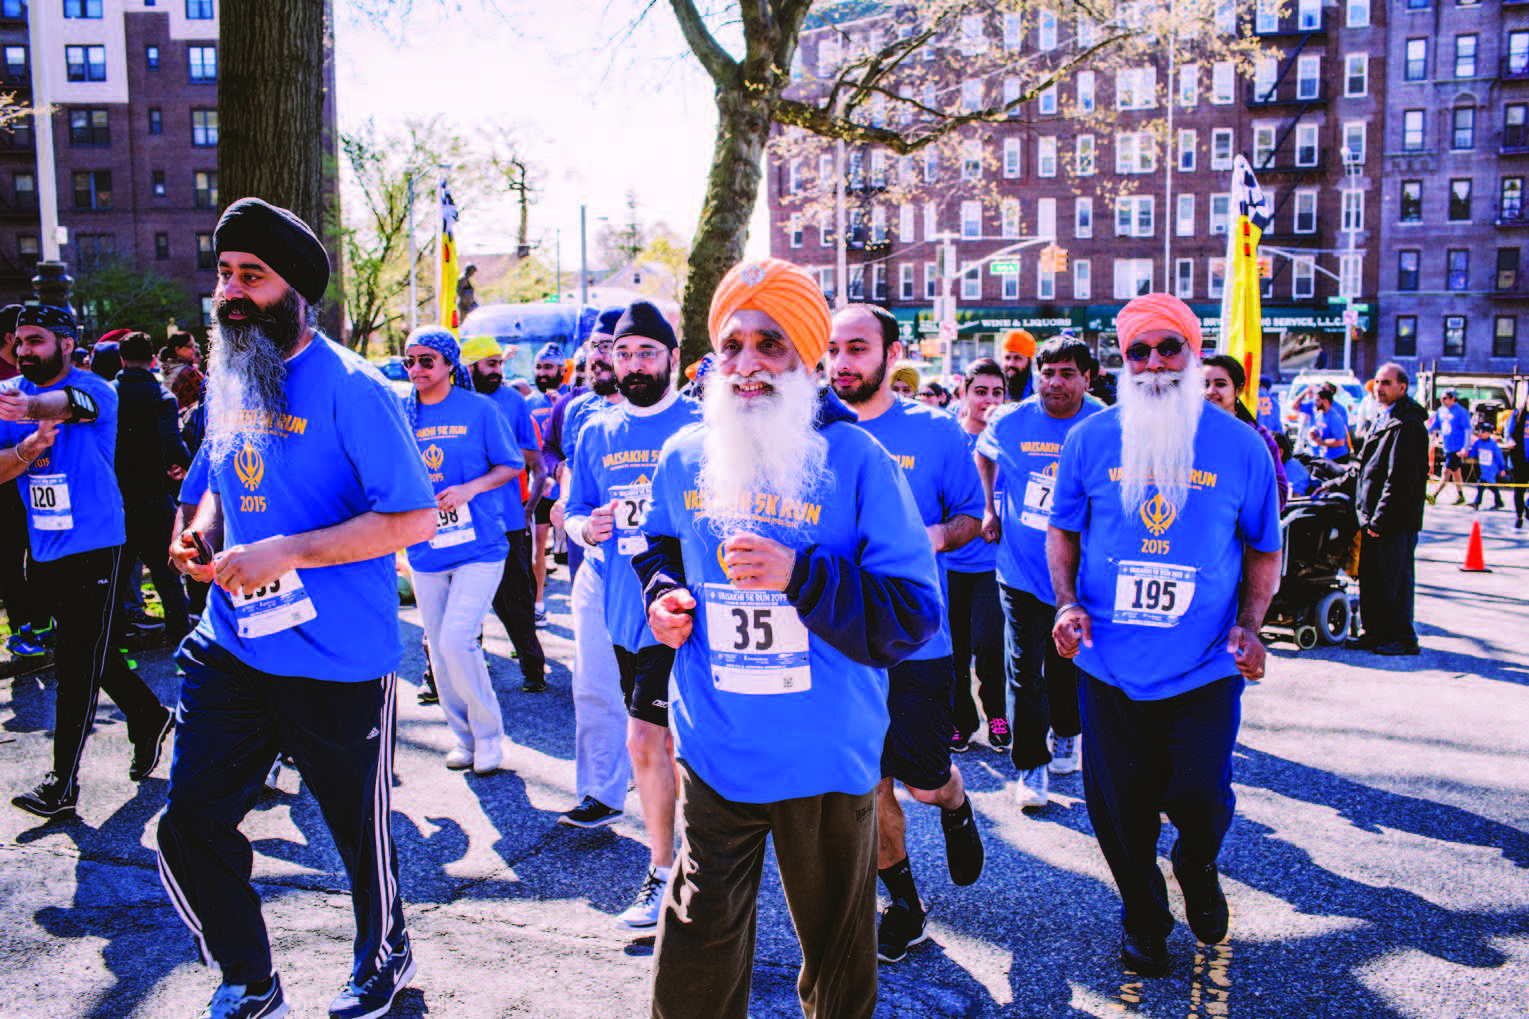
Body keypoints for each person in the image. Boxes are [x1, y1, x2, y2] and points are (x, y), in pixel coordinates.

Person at [634, 258, 944, 1019]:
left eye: (770, 343)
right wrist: (663, 596)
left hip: (824, 754)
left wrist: (798, 575)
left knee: (838, 960)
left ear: (809, 358)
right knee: (696, 951)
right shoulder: (683, 453)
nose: (745, 365)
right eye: (731, 343)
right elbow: (658, 543)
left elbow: (910, 610)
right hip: (715, 743)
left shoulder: (857, 460)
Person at [160, 197, 438, 1019]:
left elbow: (413, 517)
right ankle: (249, 975)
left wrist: (285, 550)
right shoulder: (230, 372)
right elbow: (216, 476)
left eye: (253, 275)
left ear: (295, 292)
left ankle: (382, 952)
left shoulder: (356, 387)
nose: (231, 291)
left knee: (357, 834)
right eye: (224, 273)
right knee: (189, 823)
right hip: (234, 644)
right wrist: (200, 532)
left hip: (337, 657)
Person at [1048, 292, 1281, 977]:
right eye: (1138, 352)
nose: (1154, 364)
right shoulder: (1089, 438)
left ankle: (1196, 863)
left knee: (1200, 798)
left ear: (1194, 351)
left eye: (1168, 348)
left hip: (1204, 665)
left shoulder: (1240, 444)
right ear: (1122, 363)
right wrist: (1065, 603)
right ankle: (1143, 921)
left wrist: (1250, 625)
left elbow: (1264, 547)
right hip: (1109, 664)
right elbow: (1061, 530)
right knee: (1119, 813)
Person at [827, 302, 986, 964]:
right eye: (832, 349)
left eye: (857, 348)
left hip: (919, 641)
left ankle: (953, 800)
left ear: (891, 354)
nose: (841, 362)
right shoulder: (811, 433)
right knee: (869, 784)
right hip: (838, 644)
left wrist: (932, 535)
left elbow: (973, 517)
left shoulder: (935, 431)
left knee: (920, 781)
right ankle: (904, 903)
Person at [0, 305, 173, 817]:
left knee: (75, 664)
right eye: (18, 342)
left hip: (97, 545)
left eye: (35, 340)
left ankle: (61, 784)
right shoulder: (12, 397)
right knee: (88, 651)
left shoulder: (97, 387)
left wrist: (27, 411)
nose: (24, 350)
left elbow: (66, 404)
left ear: (66, 344)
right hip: (44, 549)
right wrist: (29, 448)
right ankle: (148, 715)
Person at [566, 300, 701, 930]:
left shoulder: (700, 427)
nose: (634, 363)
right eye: (623, 352)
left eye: (647, 351)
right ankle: (684, 865)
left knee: (648, 739)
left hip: (683, 612)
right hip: (622, 609)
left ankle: (665, 871)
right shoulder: (594, 428)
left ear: (673, 357)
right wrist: (584, 527)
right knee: (657, 741)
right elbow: (570, 510)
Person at [976, 336, 1103, 809]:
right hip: (1021, 569)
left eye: (1067, 373)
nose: (1054, 382)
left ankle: (1068, 732)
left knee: (1067, 663)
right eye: (1046, 372)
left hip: (1080, 574)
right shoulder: (1012, 420)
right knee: (1025, 670)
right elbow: (983, 455)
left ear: (1087, 378)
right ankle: (1031, 764)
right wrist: (988, 508)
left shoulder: (1104, 423)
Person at [403, 326, 524, 774]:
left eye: (425, 361)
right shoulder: (402, 412)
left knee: (457, 639)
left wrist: (467, 490)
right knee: (438, 647)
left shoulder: (479, 410)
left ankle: (490, 735)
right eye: (409, 361)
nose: (416, 369)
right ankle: (464, 738)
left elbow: (511, 464)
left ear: (449, 365)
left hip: (480, 546)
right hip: (425, 548)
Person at [552, 318, 631, 829]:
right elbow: (569, 493)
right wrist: (577, 523)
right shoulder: (581, 413)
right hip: (600, 570)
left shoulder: (687, 415)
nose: (601, 357)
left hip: (665, 578)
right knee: (595, 685)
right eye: (596, 348)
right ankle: (600, 793)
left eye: (614, 348)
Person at [460, 335, 550, 693]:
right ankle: (446, 673)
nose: (499, 370)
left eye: (500, 363)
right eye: (490, 364)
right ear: (468, 366)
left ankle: (533, 669)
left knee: (517, 597)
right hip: (462, 519)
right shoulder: (452, 401)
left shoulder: (514, 401)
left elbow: (530, 456)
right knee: (461, 600)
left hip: (507, 518)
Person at [1335, 363, 1429, 656]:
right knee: (1373, 580)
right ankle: (1374, 633)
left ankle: (1402, 637)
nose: (1380, 387)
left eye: (1387, 383)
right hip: (1371, 518)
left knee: (1394, 581)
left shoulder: (1408, 423)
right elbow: (1366, 466)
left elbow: (1400, 479)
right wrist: (1338, 483)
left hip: (1393, 522)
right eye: (1377, 381)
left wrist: (1380, 519)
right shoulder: (1382, 417)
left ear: (1403, 387)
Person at [112, 331, 195, 643]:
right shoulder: (161, 397)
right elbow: (171, 443)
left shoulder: (109, 394)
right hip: (153, 494)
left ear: (122, 359)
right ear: (151, 360)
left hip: (117, 496)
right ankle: (179, 640)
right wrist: (183, 466)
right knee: (167, 574)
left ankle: (119, 639)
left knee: (117, 574)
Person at [947, 359, 1008, 754]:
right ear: (964, 394)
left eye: (997, 392)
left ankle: (998, 714)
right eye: (980, 391)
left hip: (992, 562)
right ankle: (961, 721)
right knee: (953, 646)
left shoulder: (1011, 438)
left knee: (989, 644)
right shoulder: (948, 438)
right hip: (949, 562)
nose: (988, 400)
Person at [0, 302, 53, 658]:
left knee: (41, 553)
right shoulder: (7, 380)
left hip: (40, 479)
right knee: (8, 557)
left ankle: (43, 625)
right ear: (11, 338)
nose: (27, 351)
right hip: (6, 483)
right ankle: (22, 628)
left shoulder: (39, 375)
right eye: (23, 340)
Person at [1201, 353, 1290, 511]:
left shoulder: (1257, 438)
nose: (1210, 391)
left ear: (1238, 390)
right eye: (1204, 384)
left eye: (1220, 384)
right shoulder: (1185, 433)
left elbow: (1279, 498)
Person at [1427, 389, 1472, 504]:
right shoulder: (1441, 411)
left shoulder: (1461, 412)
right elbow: (1434, 425)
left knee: (1445, 472)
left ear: (1453, 399)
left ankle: (1434, 495)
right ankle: (1461, 496)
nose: (1442, 400)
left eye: (1445, 398)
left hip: (1457, 448)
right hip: (1447, 447)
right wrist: (1424, 432)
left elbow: (1468, 430)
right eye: (1441, 398)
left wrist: (1465, 448)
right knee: (1456, 473)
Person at [1304, 383, 1350, 461]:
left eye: (1318, 400)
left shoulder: (1334, 418)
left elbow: (1340, 441)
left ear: (1325, 401)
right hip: (1325, 456)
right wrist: (1313, 432)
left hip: (1337, 458)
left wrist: (1321, 442)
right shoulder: (1319, 414)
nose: (1315, 403)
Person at [1467, 424, 1506, 510]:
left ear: (1488, 433)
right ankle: (1499, 502)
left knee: (1482, 484)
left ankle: (1477, 502)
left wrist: (1502, 468)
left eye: (1483, 431)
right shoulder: (1478, 442)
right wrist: (1466, 453)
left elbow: (1499, 456)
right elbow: (1473, 452)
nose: (1481, 433)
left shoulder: (1493, 444)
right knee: (1490, 485)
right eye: (1480, 431)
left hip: (1491, 469)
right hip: (1483, 468)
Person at [527, 341, 567, 412]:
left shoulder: (574, 398)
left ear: (561, 370)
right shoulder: (528, 403)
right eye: (538, 367)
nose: (541, 373)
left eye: (547, 367)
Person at [1508, 401, 1529, 529]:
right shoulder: (1518, 414)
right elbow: (1507, 432)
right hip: (1519, 459)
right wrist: (1509, 440)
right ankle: (1519, 515)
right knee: (1519, 490)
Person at [1000, 329, 1036, 402]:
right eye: (1007, 358)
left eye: (1017, 358)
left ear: (1029, 361)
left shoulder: (1040, 387)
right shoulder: (995, 387)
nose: (1011, 364)